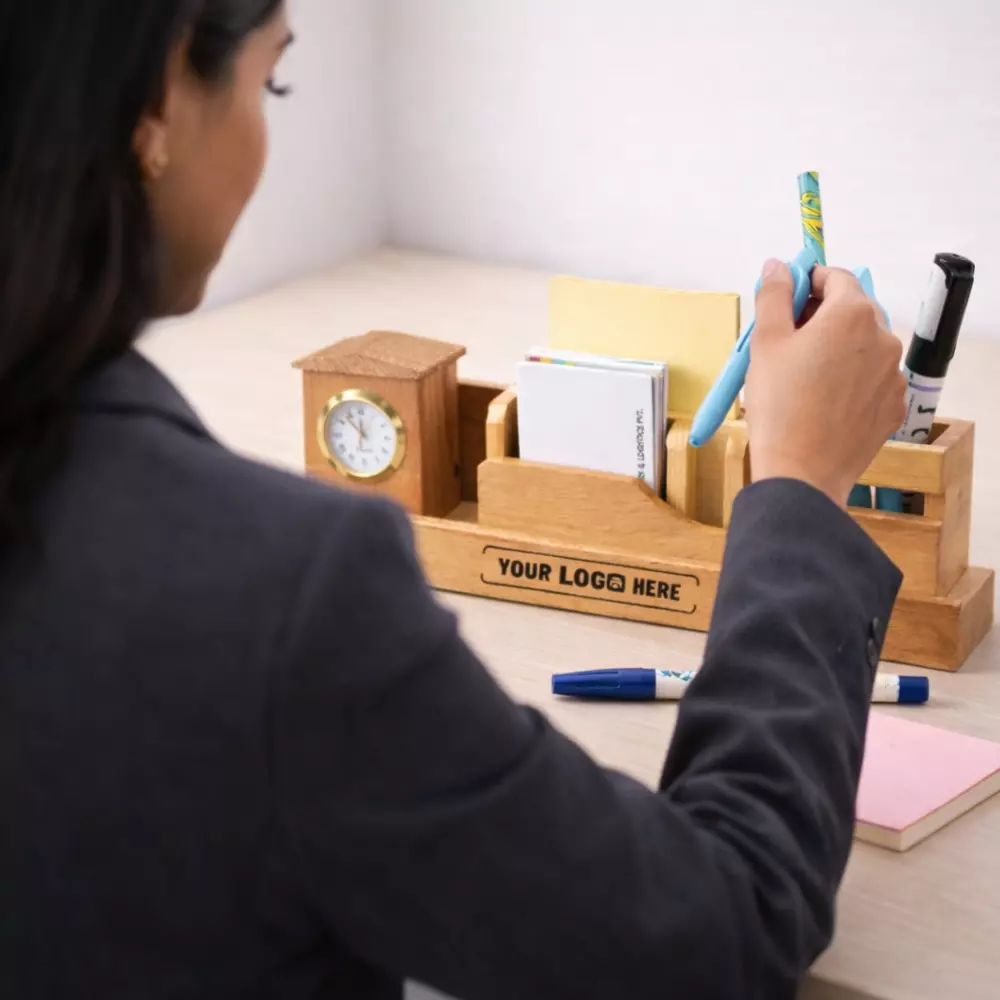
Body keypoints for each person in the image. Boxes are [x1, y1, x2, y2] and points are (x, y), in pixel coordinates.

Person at [0, 3, 908, 999]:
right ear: (156, 104)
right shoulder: (288, 594)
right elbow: (724, 930)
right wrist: (801, 482)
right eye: (272, 81)